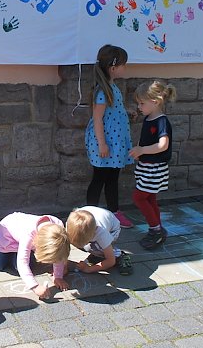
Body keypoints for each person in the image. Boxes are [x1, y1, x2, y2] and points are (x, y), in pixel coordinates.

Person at [85, 44, 135, 229]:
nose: (125, 68)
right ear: (113, 68)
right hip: (106, 144)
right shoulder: (102, 91)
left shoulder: (112, 87)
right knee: (99, 179)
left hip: (115, 144)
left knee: (113, 178)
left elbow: (113, 112)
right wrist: (102, 144)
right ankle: (88, 217)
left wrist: (127, 112)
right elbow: (97, 119)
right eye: (124, 64)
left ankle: (114, 212)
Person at [130, 80, 177, 250]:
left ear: (155, 102)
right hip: (147, 166)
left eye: (142, 103)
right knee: (149, 198)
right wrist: (140, 152)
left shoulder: (161, 121)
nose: (139, 107)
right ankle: (157, 228)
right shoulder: (149, 118)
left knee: (139, 197)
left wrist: (142, 150)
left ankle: (155, 230)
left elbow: (162, 145)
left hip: (155, 168)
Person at [0, 212, 70, 300]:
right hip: (5, 240)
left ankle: (18, 253)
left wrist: (58, 276)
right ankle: (9, 253)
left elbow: (59, 254)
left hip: (22, 240)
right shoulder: (28, 236)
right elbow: (22, 263)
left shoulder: (59, 229)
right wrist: (35, 287)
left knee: (24, 267)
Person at [66, 206, 133, 275]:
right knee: (88, 247)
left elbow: (111, 261)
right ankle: (97, 255)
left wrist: (89, 269)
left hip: (113, 229)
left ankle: (119, 255)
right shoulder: (70, 225)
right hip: (98, 217)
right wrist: (62, 264)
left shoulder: (101, 233)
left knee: (95, 248)